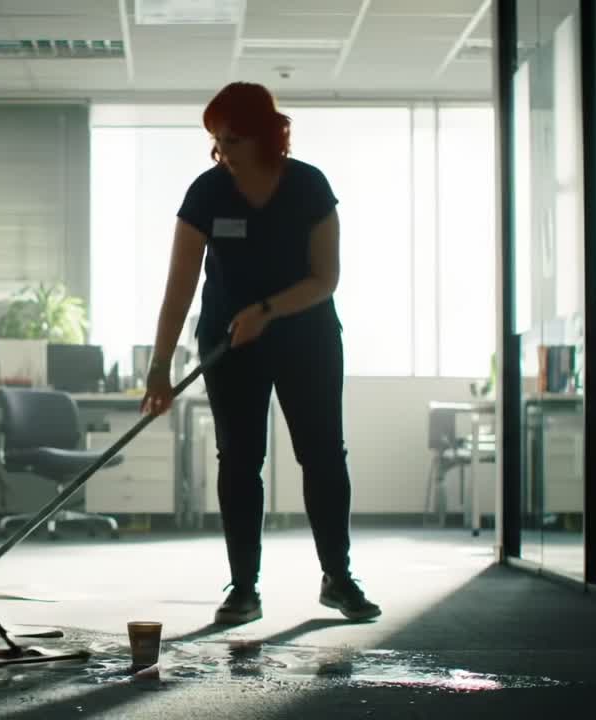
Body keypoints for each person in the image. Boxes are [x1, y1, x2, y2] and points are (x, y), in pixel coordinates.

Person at [140, 82, 381, 625]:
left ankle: (337, 577)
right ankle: (243, 586)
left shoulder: (309, 187)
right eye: (215, 139)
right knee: (240, 459)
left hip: (308, 339)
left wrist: (268, 311)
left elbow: (326, 279)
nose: (221, 150)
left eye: (233, 139)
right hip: (229, 345)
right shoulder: (207, 192)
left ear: (268, 136)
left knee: (322, 454)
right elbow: (178, 288)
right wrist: (159, 368)